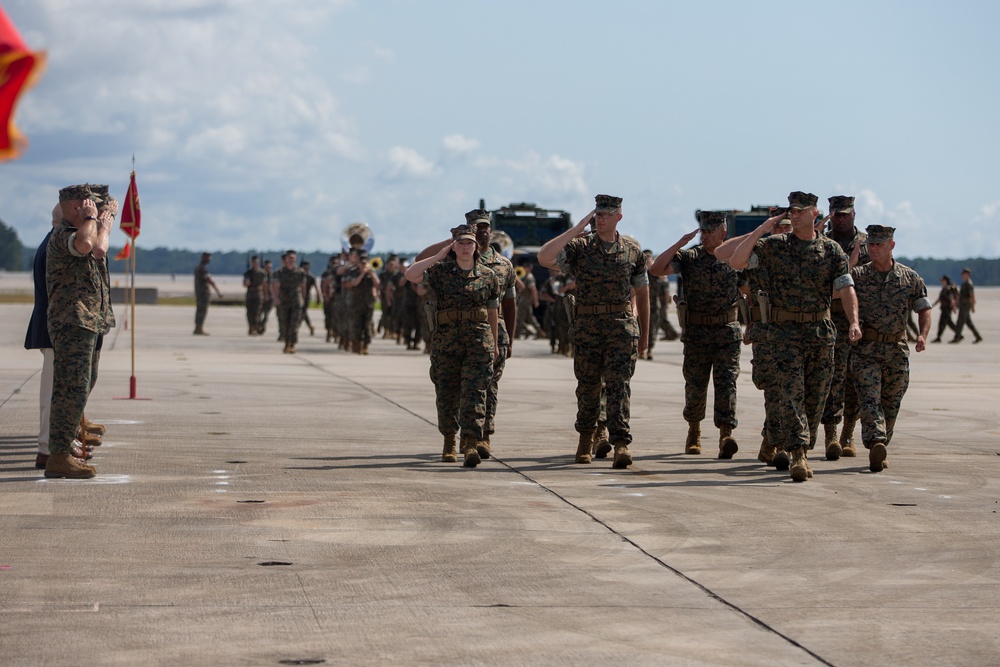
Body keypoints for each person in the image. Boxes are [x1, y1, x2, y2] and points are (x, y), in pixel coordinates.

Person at [724, 191, 860, 482]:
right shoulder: (774, 246)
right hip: (783, 335)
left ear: (814, 213)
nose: (794, 215)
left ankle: (800, 444)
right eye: (791, 211)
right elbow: (734, 260)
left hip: (820, 333)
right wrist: (761, 229)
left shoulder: (832, 250)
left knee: (816, 397)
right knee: (791, 394)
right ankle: (799, 453)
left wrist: (854, 321)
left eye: (800, 210)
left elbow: (846, 287)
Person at [537, 194, 649, 469]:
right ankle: (585, 439)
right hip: (588, 328)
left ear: (618, 217)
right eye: (597, 215)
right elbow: (544, 257)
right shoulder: (580, 248)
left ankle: (620, 444)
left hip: (621, 329)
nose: (600, 219)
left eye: (606, 215)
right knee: (587, 387)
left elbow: (642, 293)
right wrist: (576, 230)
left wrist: (644, 334)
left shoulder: (632, 251)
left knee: (618, 388)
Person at [404, 224, 500, 467]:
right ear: (453, 246)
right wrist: (437, 256)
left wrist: (495, 344)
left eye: (469, 243)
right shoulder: (440, 272)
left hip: (479, 341)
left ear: (476, 246)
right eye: (460, 243)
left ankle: (469, 443)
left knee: (475, 392)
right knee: (446, 393)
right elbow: (411, 275)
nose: (465, 247)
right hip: (447, 342)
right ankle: (449, 439)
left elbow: (492, 312)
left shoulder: (489, 276)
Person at [650, 211, 743, 458]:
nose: (705, 235)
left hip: (726, 332)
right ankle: (694, 431)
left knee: (727, 384)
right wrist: (679, 243)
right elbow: (657, 269)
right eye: (703, 230)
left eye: (710, 231)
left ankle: (726, 435)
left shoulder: (735, 257)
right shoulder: (690, 257)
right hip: (697, 333)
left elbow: (749, 290)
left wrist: (753, 324)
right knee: (695, 385)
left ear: (723, 232)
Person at [43, 184, 117, 478]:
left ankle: (65, 445)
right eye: (92, 207)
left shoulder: (88, 230)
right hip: (71, 320)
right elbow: (87, 245)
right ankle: (58, 455)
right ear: (78, 208)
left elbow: (99, 248)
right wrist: (91, 220)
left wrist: (104, 224)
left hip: (87, 320)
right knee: (70, 387)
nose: (98, 213)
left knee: (83, 383)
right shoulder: (63, 236)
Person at [850, 225, 931, 472]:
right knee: (869, 397)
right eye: (870, 244)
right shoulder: (858, 276)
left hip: (896, 349)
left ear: (891, 246)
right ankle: (876, 441)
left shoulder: (909, 278)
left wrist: (923, 336)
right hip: (866, 350)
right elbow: (841, 291)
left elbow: (924, 308)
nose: (873, 249)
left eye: (878, 244)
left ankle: (882, 443)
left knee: (892, 401)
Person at [24, 204, 97, 469]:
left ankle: (55, 444)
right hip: (56, 326)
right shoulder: (57, 242)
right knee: (54, 390)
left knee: (56, 388)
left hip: (55, 325)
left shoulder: (50, 240)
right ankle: (47, 447)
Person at [820, 195, 869, 458]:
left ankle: (848, 433)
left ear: (853, 215)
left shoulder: (868, 244)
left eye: (844, 214)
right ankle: (830, 435)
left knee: (855, 380)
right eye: (835, 214)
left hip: (859, 322)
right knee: (831, 378)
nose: (839, 218)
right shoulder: (822, 244)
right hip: (830, 319)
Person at [272, 250, 307, 353]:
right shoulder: (279, 273)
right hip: (284, 301)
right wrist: (275, 298)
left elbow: (303, 287)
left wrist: (304, 299)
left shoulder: (300, 273)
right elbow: (275, 286)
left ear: (295, 259)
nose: (291, 260)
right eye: (289, 258)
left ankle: (292, 344)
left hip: (296, 301)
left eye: (293, 258)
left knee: (294, 324)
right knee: (285, 324)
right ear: (286, 259)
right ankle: (287, 343)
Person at [193, 252, 223, 335]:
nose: (209, 260)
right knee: (202, 310)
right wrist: (218, 291)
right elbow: (209, 280)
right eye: (208, 258)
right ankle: (199, 328)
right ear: (204, 258)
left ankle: (197, 328)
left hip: (199, 292)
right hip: (203, 293)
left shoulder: (197, 268)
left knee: (199, 310)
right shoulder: (203, 269)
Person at [951, 268, 982, 344]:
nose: (963, 276)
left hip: (965, 306)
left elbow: (972, 296)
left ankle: (957, 337)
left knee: (960, 322)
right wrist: (956, 303)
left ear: (968, 275)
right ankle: (978, 336)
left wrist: (972, 306)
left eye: (964, 274)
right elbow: (960, 296)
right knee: (968, 322)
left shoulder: (969, 284)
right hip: (962, 305)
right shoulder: (964, 283)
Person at [643, 249, 662, 360]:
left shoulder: (654, 272)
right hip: (642, 306)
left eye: (649, 256)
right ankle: (641, 349)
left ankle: (649, 350)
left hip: (654, 306)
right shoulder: (639, 271)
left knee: (653, 329)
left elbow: (661, 277)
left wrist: (652, 267)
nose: (647, 258)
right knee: (640, 328)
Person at [931, 275, 959, 343]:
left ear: (946, 281)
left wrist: (954, 307)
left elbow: (951, 298)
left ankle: (958, 334)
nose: (941, 282)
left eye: (942, 280)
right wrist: (932, 305)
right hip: (944, 309)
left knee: (947, 323)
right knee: (944, 323)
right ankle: (939, 337)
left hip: (947, 309)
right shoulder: (944, 289)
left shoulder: (948, 289)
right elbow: (940, 299)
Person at [243, 255, 266, 336]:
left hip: (259, 294)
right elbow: (244, 284)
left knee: (257, 313)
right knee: (249, 313)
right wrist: (246, 283)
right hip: (250, 294)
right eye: (253, 262)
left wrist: (266, 295)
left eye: (256, 262)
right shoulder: (248, 273)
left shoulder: (262, 273)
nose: (255, 264)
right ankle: (251, 327)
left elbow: (264, 284)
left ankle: (255, 328)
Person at [300, 260, 319, 336]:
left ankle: (296, 327)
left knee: (302, 312)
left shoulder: (311, 277)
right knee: (302, 313)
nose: (306, 269)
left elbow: (316, 287)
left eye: (308, 267)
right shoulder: (298, 275)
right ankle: (310, 326)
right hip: (297, 296)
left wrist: (319, 297)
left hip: (307, 297)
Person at [259, 259, 274, 334]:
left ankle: (263, 325)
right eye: (267, 267)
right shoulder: (261, 274)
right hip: (261, 296)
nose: (268, 268)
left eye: (269, 267)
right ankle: (259, 325)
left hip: (271, 297)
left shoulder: (273, 275)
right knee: (259, 313)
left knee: (266, 313)